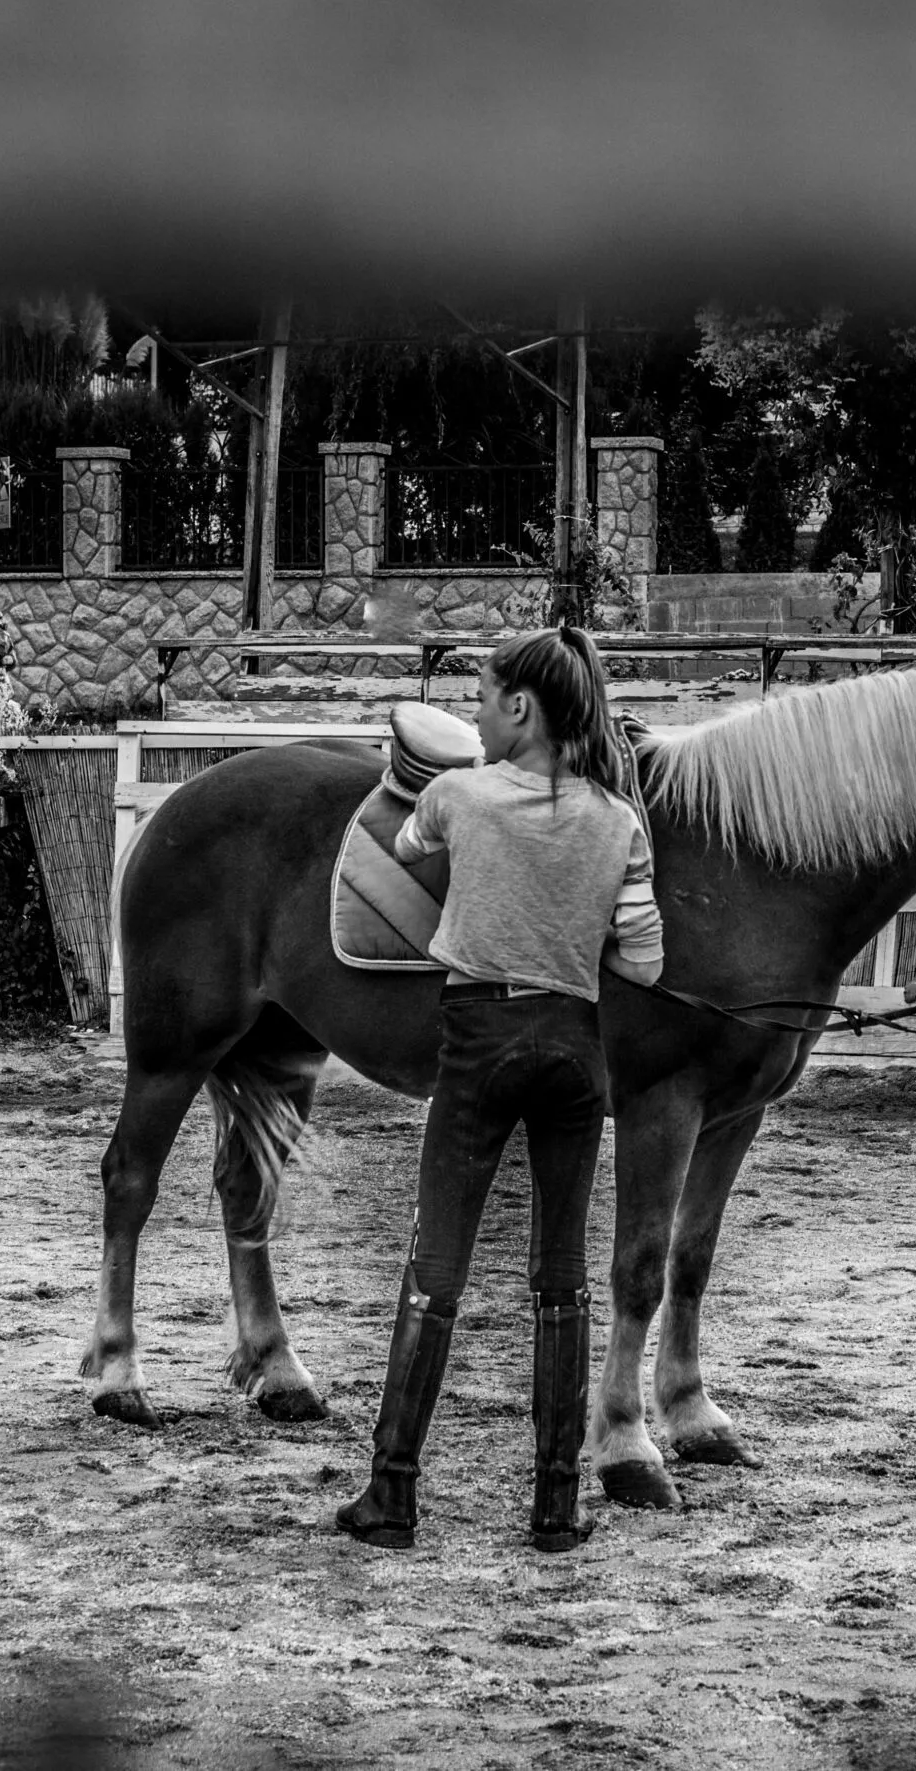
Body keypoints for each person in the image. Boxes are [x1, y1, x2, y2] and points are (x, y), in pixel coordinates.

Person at [336, 625, 664, 1553]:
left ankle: (392, 1494)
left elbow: (408, 840)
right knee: (560, 1277)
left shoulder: (460, 794)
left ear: (520, 707)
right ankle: (556, 1507)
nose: (475, 717)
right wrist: (572, 931)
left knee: (437, 1269)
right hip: (574, 1050)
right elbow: (645, 960)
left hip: (478, 1042)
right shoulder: (619, 820)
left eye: (482, 699)